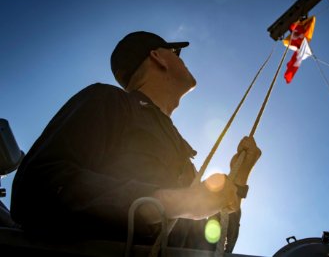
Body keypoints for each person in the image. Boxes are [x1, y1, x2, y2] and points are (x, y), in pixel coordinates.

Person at [11, 31, 261, 251]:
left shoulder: (180, 150)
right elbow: (36, 190)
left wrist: (239, 177)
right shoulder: (107, 101)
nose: (182, 61)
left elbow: (213, 248)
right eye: (176, 53)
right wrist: (172, 202)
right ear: (157, 57)